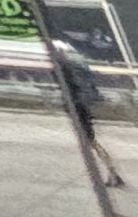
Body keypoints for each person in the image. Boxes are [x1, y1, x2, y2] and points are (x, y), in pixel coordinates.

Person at [52, 36, 127, 188]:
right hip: (79, 106)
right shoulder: (72, 65)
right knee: (90, 143)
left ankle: (110, 173)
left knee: (90, 143)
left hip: (77, 107)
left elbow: (72, 88)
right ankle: (111, 173)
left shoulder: (63, 67)